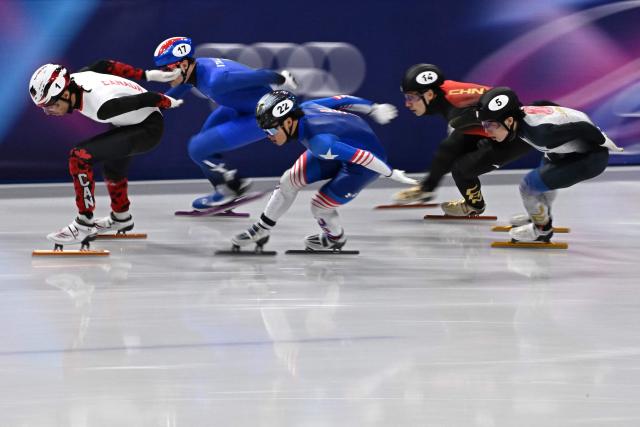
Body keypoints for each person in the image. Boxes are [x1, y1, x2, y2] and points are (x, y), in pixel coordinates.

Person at [231, 90, 411, 251]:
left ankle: (335, 238)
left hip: (364, 164)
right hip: (339, 144)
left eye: (271, 129)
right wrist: (372, 108)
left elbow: (363, 157)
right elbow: (343, 99)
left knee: (319, 207)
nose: (268, 136)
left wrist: (390, 173)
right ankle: (261, 230)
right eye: (264, 131)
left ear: (287, 122)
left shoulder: (320, 143)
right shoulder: (305, 107)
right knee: (288, 181)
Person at [28, 61, 183, 246]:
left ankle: (84, 224)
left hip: (147, 129)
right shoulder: (78, 77)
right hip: (127, 121)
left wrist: (167, 101)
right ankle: (121, 217)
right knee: (113, 168)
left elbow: (147, 98)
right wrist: (147, 74)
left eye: (51, 105)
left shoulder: (102, 106)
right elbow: (105, 65)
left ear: (66, 93)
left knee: (79, 157)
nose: (48, 112)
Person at [151, 36, 303, 209]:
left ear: (184, 65)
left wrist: (281, 78)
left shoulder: (216, 80)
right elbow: (171, 96)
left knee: (197, 147)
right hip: (243, 106)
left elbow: (257, 75)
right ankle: (227, 187)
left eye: (166, 69)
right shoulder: (195, 69)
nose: (163, 75)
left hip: (267, 113)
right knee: (202, 146)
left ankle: (232, 187)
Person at [475, 87, 623, 242]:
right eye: (484, 125)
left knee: (528, 186)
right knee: (543, 173)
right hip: (568, 151)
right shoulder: (522, 114)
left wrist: (604, 141)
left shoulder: (542, 135)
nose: (487, 131)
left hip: (590, 159)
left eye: (490, 125)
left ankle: (542, 230)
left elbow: (584, 128)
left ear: (510, 121)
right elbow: (543, 103)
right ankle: (541, 217)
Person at [394, 63, 533, 216]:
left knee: (462, 169)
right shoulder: (443, 92)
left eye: (411, 97)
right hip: (491, 125)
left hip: (514, 136)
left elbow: (505, 106)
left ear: (428, 94)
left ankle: (474, 206)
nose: (407, 104)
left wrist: (485, 139)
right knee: (448, 148)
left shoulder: (455, 104)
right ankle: (426, 189)